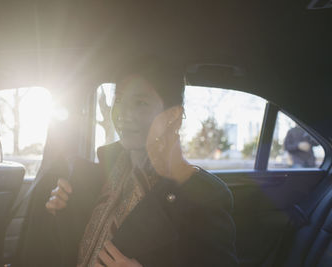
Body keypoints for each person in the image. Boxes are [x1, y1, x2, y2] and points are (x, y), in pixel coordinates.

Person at [15, 60, 238, 266]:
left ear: (174, 117)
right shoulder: (94, 176)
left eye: (140, 103)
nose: (123, 114)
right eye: (119, 100)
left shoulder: (204, 197)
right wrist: (60, 213)